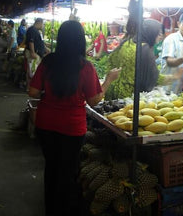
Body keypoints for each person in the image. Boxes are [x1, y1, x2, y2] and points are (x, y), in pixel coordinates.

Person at [28, 20, 120, 216]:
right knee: (68, 172)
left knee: (51, 168)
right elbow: (94, 100)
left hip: (45, 124)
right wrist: (109, 80)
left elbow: (33, 91)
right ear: (79, 40)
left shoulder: (48, 61)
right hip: (71, 128)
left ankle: (51, 210)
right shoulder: (85, 67)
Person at [105, 18, 163, 100]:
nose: (161, 36)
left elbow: (110, 60)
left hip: (112, 90)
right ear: (151, 33)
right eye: (159, 33)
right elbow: (152, 77)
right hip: (127, 97)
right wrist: (172, 78)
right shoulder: (145, 49)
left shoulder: (127, 42)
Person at [25, 18, 48, 90]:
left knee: (34, 71)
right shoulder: (32, 30)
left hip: (37, 54)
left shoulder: (36, 31)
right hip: (33, 54)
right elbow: (31, 42)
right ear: (39, 23)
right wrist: (32, 52)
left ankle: (32, 87)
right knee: (32, 71)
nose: (43, 26)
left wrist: (46, 49)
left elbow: (39, 42)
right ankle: (29, 87)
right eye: (43, 24)